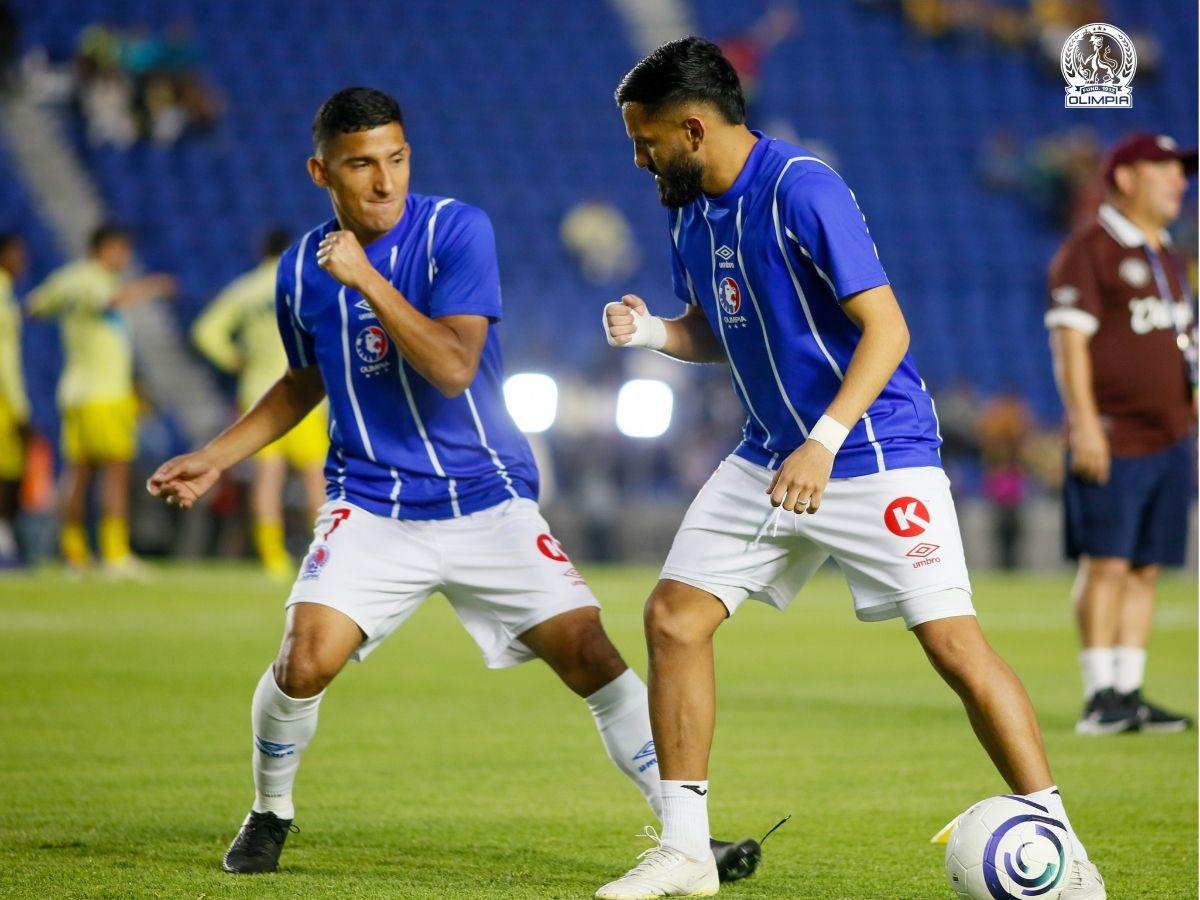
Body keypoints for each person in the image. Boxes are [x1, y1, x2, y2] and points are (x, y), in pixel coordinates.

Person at [147, 87, 759, 882]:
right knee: (304, 662)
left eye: (395, 159)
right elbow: (305, 381)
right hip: (371, 504)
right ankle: (269, 812)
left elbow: (451, 367)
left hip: (486, 501)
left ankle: (687, 838)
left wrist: (367, 279)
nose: (383, 181)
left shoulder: (455, 231)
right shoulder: (301, 268)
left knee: (593, 660)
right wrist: (217, 455)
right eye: (361, 165)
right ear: (321, 172)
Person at [595, 37, 1105, 899]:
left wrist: (824, 441)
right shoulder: (689, 211)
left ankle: (1064, 845)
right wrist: (652, 333)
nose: (637, 158)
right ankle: (686, 851)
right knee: (674, 619)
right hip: (770, 456)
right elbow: (717, 331)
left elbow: (889, 330)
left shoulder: (804, 188)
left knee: (954, 646)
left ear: (690, 128)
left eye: (644, 142)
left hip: (872, 453)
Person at [1045, 133, 1196, 737]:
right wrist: (1085, 423)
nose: (1179, 181)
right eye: (1165, 169)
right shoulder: (1091, 248)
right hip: (1114, 432)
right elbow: (1069, 343)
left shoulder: (1168, 255)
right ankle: (1098, 694)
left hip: (1169, 436)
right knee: (1106, 562)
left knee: (1147, 566)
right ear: (1127, 177)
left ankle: (1129, 691)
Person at [29, 223, 175, 575]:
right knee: (115, 472)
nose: (124, 258)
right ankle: (114, 553)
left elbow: (33, 308)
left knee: (78, 473)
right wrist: (152, 286)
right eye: (122, 250)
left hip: (75, 390)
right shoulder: (95, 278)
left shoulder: (66, 278)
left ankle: (74, 552)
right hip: (105, 393)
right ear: (107, 247)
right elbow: (110, 301)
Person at [192, 228, 328, 578]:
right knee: (316, 477)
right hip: (303, 393)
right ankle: (326, 556)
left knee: (268, 478)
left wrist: (234, 359)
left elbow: (205, 332)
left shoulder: (245, 289)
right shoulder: (304, 283)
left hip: (257, 394)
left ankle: (273, 560)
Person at [0, 232, 30, 567]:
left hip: (7, 398)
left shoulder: (8, 295)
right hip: (4, 400)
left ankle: (6, 543)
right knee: (5, 475)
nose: (22, 261)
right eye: (16, 253)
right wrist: (20, 406)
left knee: (9, 473)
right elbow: (4, 361)